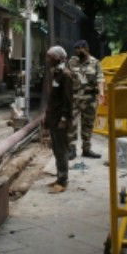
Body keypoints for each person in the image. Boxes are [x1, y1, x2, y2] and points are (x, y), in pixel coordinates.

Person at [67, 40, 104, 160]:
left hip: (90, 99)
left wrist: (101, 93)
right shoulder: (72, 62)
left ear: (86, 49)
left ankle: (86, 149)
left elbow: (100, 78)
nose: (77, 53)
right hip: (74, 98)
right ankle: (71, 150)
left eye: (80, 50)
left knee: (88, 124)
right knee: (71, 124)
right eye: (76, 50)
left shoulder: (95, 62)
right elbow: (66, 78)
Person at [44, 46, 73, 193]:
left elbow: (68, 100)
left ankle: (63, 181)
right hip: (53, 118)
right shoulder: (56, 73)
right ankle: (59, 177)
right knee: (56, 149)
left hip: (60, 119)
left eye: (50, 57)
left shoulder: (65, 75)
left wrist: (64, 119)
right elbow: (53, 99)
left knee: (61, 150)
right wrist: (47, 117)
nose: (48, 59)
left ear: (58, 58)